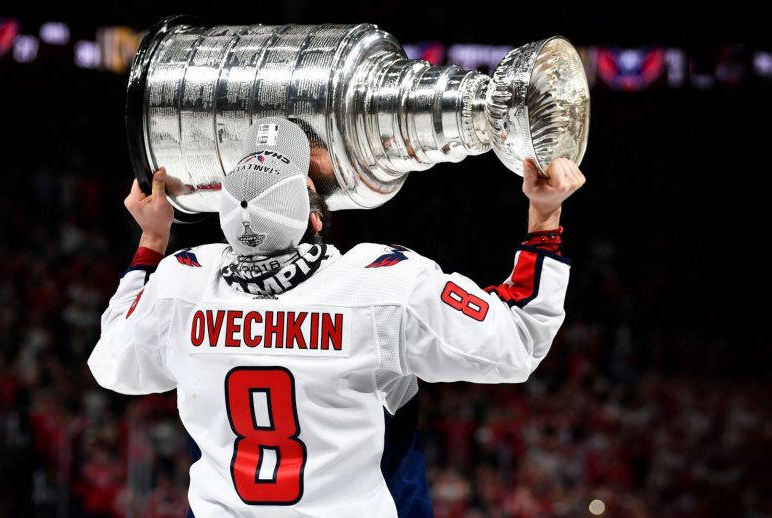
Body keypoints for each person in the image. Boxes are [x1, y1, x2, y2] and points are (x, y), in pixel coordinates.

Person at [88, 117, 585, 517]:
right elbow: (518, 339)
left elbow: (111, 362)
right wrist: (544, 216)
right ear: (315, 218)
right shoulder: (382, 285)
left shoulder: (183, 284)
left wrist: (151, 243)